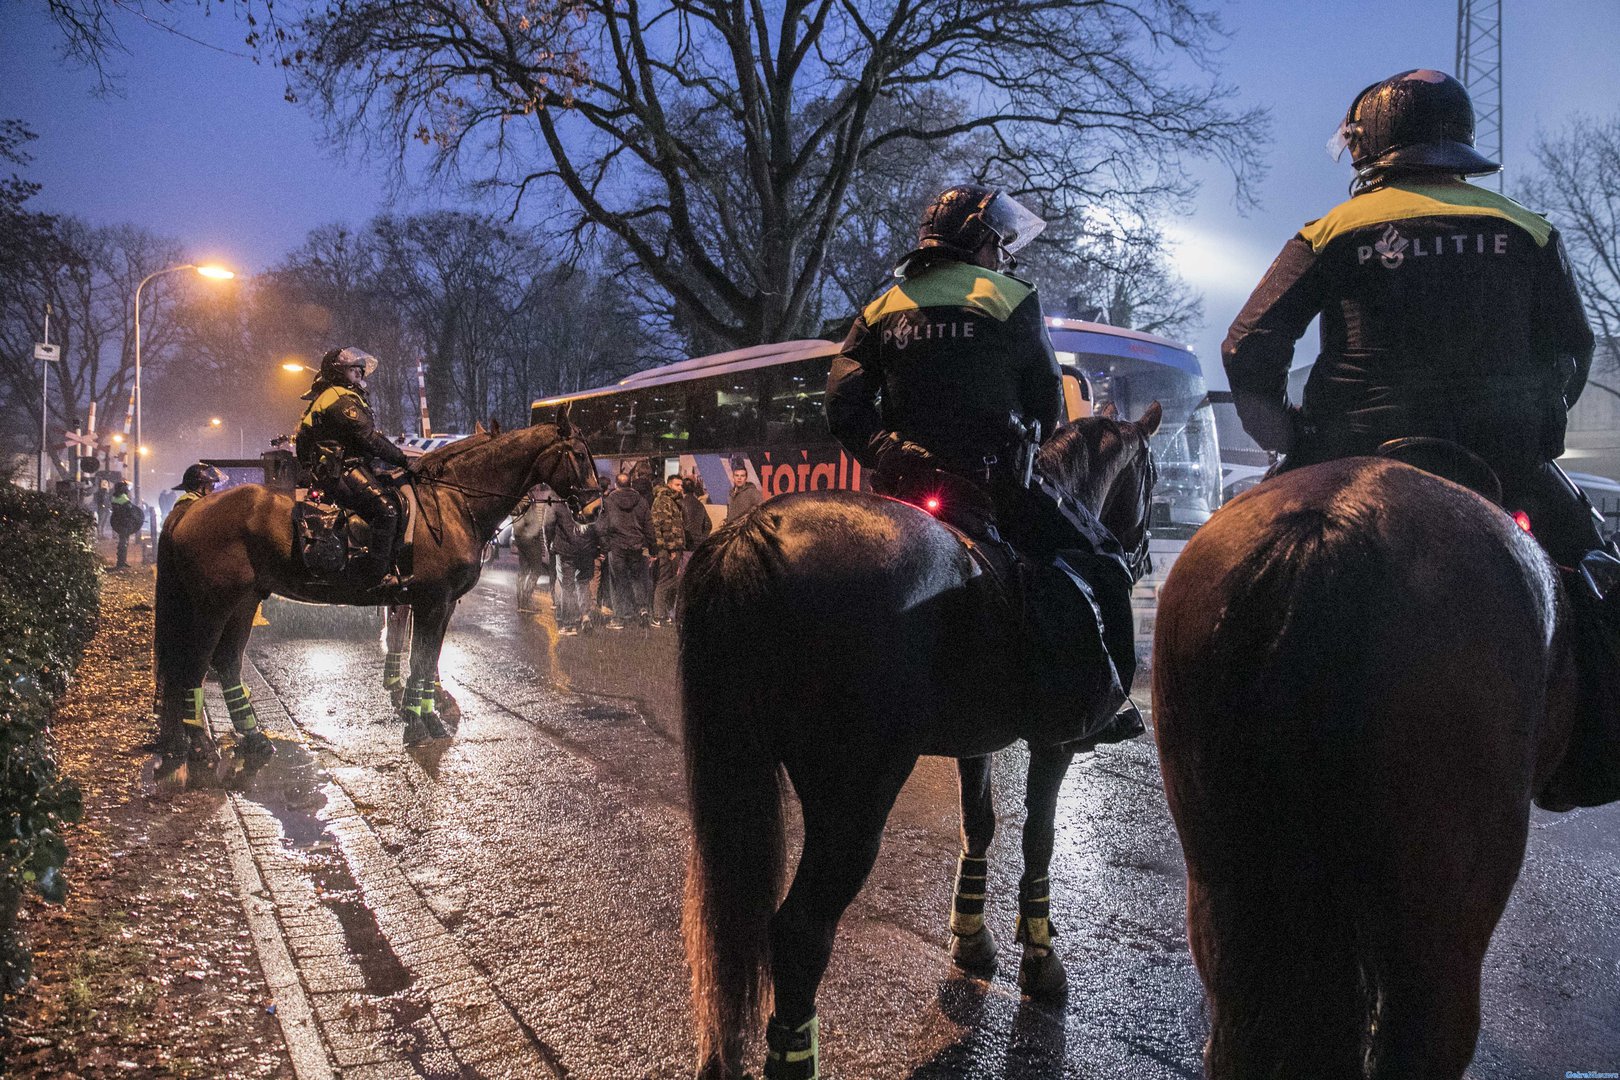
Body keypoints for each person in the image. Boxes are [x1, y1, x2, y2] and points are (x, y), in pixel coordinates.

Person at [1224, 68, 1617, 809]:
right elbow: (1576, 348)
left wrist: (1289, 438)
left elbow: (1248, 347)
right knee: (1599, 572)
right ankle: (1592, 759)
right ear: (1460, 143)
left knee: (1236, 567)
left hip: (1350, 452)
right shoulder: (1526, 229)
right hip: (1502, 460)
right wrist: (1541, 432)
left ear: (1370, 149)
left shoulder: (1329, 231)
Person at [826, 183, 1143, 745]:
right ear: (980, 245)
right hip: (991, 483)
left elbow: (843, 404)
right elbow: (1047, 404)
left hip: (902, 483)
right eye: (999, 248)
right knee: (1098, 556)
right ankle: (1092, 706)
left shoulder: (883, 305)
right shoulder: (1009, 297)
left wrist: (887, 452)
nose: (1003, 259)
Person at [294, 347, 414, 588]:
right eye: (353, 368)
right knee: (386, 509)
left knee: (389, 495)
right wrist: (403, 459)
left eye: (361, 369)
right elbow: (368, 438)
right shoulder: (338, 397)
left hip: (342, 465)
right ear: (338, 372)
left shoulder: (337, 396)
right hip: (341, 469)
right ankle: (375, 576)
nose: (360, 372)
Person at [598, 472, 653, 629]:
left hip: (616, 548)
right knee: (637, 579)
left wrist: (604, 547)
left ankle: (620, 617)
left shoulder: (608, 502)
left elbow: (602, 527)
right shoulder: (641, 501)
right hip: (636, 546)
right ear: (630, 484)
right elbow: (649, 527)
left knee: (618, 582)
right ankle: (643, 610)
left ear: (616, 485)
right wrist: (652, 548)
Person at [544, 495, 598, 635]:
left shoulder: (556, 501)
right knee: (583, 583)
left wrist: (549, 544)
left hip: (566, 550)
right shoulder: (588, 498)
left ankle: (569, 625)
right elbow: (599, 524)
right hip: (586, 549)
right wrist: (599, 547)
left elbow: (548, 525)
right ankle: (585, 616)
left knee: (567, 586)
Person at [650, 474, 686, 625]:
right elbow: (665, 526)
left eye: (681, 485)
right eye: (677, 485)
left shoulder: (670, 500)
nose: (680, 488)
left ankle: (663, 613)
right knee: (665, 580)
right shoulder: (664, 500)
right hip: (667, 548)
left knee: (669, 580)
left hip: (671, 547)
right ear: (669, 485)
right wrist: (671, 549)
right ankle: (659, 615)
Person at [108, 480, 143, 568]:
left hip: (118, 522)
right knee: (123, 542)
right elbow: (130, 509)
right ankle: (121, 562)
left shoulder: (114, 497)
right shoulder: (123, 497)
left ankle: (122, 561)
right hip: (125, 522)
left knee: (123, 541)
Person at [680, 472, 712, 559]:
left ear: (682, 489)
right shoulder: (700, 504)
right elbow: (708, 524)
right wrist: (702, 537)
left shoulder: (680, 503)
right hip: (698, 543)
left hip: (686, 541)